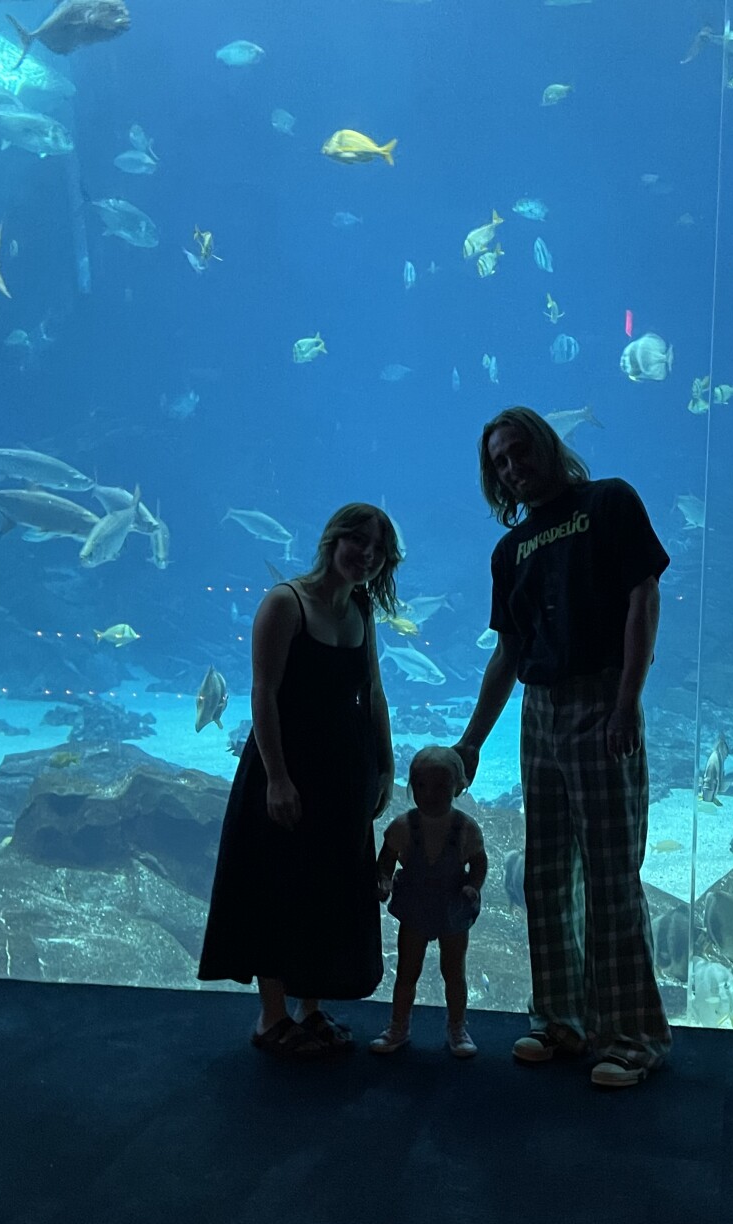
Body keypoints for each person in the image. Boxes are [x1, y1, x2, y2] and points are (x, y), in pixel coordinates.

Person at [454, 407, 673, 1089]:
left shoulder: (607, 501)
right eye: (498, 461)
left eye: (519, 451)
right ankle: (560, 1020)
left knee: (610, 873)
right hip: (539, 710)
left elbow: (643, 596)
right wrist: (469, 744)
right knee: (546, 873)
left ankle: (632, 1034)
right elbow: (507, 653)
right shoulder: (509, 550)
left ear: (546, 447)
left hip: (600, 696)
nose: (512, 467)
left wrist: (626, 700)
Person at [198, 503, 402, 1057]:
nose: (367, 555)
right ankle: (271, 1018)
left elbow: (374, 692)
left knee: (330, 889)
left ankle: (310, 1009)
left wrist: (385, 765)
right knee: (278, 885)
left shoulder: (361, 606)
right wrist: (278, 779)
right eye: (358, 541)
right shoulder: (285, 603)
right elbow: (263, 693)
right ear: (332, 540)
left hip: (345, 772)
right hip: (288, 766)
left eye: (379, 549)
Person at [372, 746, 488, 1058]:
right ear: (410, 786)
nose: (429, 794)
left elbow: (478, 862)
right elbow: (385, 862)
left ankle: (457, 1027)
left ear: (458, 787)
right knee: (407, 971)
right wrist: (382, 881)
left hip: (452, 910)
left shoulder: (466, 828)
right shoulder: (402, 826)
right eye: (421, 786)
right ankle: (398, 1026)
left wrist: (474, 887)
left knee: (455, 973)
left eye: (440, 786)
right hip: (414, 910)